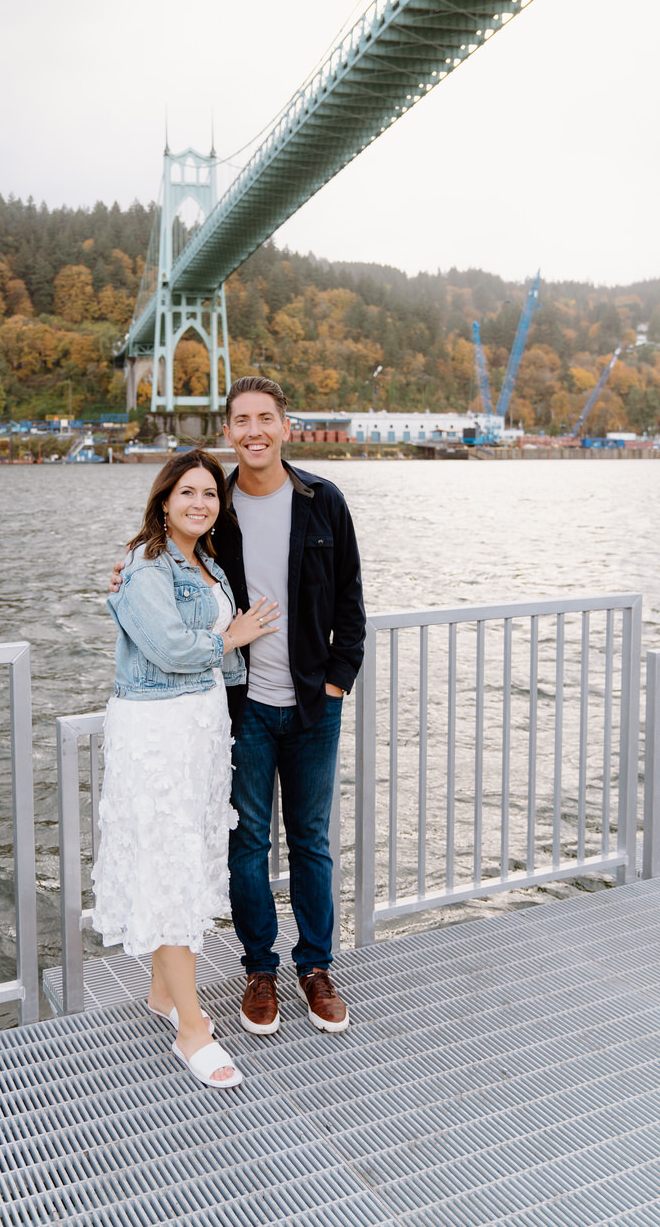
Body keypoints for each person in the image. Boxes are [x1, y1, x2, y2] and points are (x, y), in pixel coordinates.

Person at [92, 447, 279, 1090]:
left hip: (200, 729)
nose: (200, 503)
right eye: (187, 493)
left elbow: (211, 660)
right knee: (168, 868)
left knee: (187, 856)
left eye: (209, 493)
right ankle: (191, 1029)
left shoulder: (207, 565)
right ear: (164, 500)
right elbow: (172, 650)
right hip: (158, 731)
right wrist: (233, 636)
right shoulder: (147, 566)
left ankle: (160, 992)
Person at [215, 376, 366, 1036]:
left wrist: (336, 681)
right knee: (247, 842)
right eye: (241, 420)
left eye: (265, 418)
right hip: (240, 708)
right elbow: (161, 557)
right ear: (228, 431)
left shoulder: (323, 501)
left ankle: (315, 967)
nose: (254, 431)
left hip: (311, 706)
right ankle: (258, 970)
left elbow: (351, 603)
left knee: (309, 841)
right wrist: (124, 571)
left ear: (284, 425)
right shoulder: (210, 505)